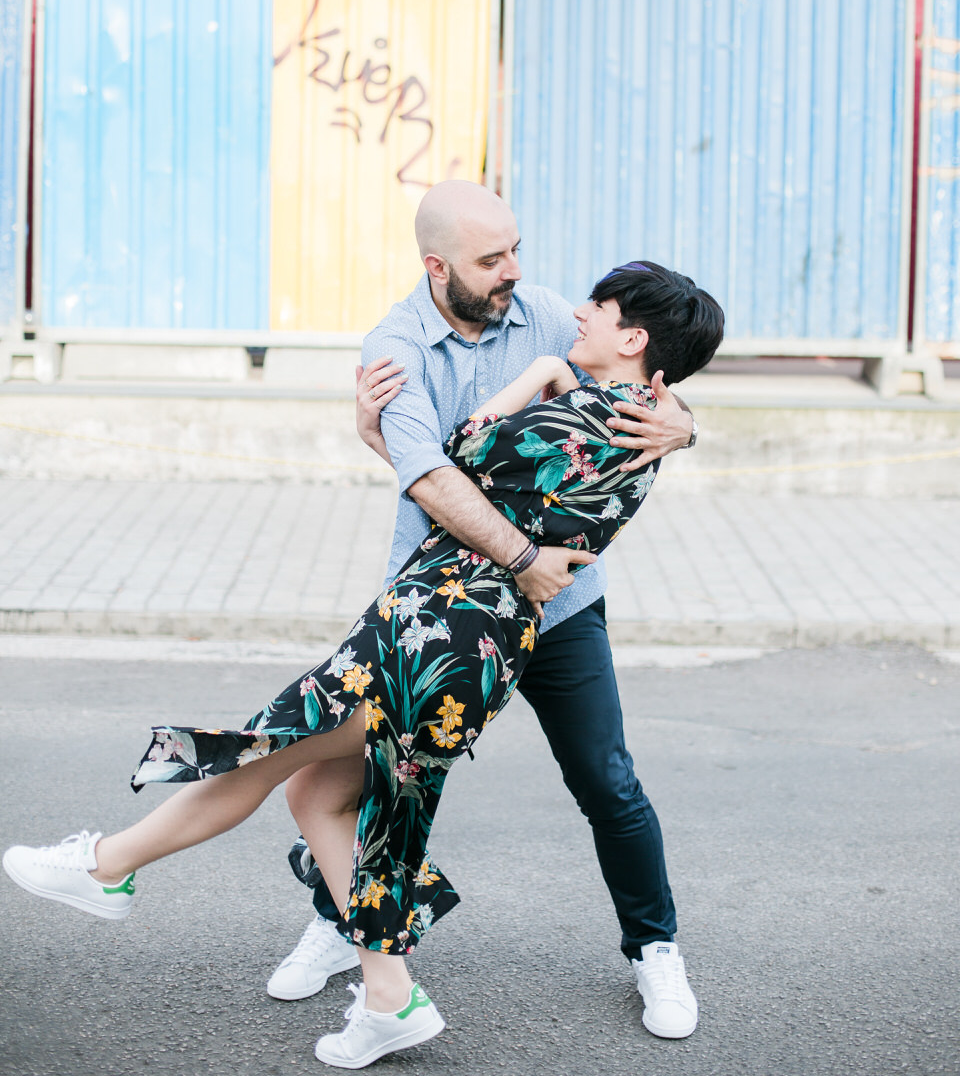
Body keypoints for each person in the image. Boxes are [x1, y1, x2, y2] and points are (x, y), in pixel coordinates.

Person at [3, 247, 723, 1071]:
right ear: (440, 260)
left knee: (273, 753)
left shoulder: (590, 395)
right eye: (497, 255)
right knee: (316, 790)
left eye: (599, 310)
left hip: (449, 629)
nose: (570, 307)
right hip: (450, 625)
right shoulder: (422, 345)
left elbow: (460, 455)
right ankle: (384, 990)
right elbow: (458, 468)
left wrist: (544, 379)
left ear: (632, 340)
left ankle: (111, 866)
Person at [270, 183, 704, 1042]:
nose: (515, 272)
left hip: (562, 603)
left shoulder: (544, 316)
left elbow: (643, 372)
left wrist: (682, 421)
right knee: (389, 778)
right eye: (490, 259)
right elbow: (434, 477)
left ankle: (654, 948)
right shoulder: (396, 348)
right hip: (448, 603)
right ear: (437, 268)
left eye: (515, 250)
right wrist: (391, 441)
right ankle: (345, 923)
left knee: (605, 780)